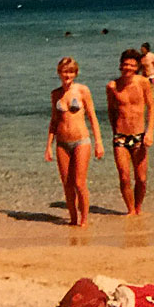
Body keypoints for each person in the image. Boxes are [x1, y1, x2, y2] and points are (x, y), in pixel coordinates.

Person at [45, 57, 104, 227]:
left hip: (81, 141)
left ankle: (84, 220)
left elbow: (92, 117)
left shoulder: (83, 91)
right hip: (62, 143)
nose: (67, 75)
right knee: (67, 185)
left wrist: (98, 142)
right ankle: (73, 219)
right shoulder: (55, 94)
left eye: (71, 71)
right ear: (59, 72)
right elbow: (54, 121)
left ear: (76, 73)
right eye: (64, 71)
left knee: (79, 183)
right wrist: (48, 145)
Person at [106, 49, 154, 215]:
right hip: (120, 137)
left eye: (132, 65)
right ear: (120, 65)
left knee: (141, 179)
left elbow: (152, 108)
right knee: (124, 177)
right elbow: (111, 111)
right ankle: (130, 210)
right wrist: (115, 132)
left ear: (137, 67)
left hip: (140, 136)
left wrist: (150, 132)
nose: (128, 67)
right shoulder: (112, 86)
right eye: (125, 64)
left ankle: (138, 207)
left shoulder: (143, 82)